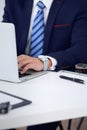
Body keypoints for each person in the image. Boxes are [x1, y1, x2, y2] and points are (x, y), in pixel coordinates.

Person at [3, 0, 87, 130]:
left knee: (39, 125)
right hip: (19, 73)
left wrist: (45, 62)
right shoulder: (14, 2)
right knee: (4, 119)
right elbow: (5, 40)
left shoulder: (78, 3)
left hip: (53, 80)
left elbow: (82, 48)